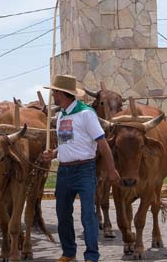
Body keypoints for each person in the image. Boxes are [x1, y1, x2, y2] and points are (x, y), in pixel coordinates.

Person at [40, 74, 120, 262]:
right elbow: (68, 143)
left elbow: (102, 143)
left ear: (63, 94)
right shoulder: (61, 116)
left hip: (85, 170)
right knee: (63, 214)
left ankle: (91, 255)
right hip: (64, 171)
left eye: (55, 92)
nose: (53, 96)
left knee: (88, 215)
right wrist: (53, 153)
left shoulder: (86, 114)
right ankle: (69, 252)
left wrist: (111, 169)